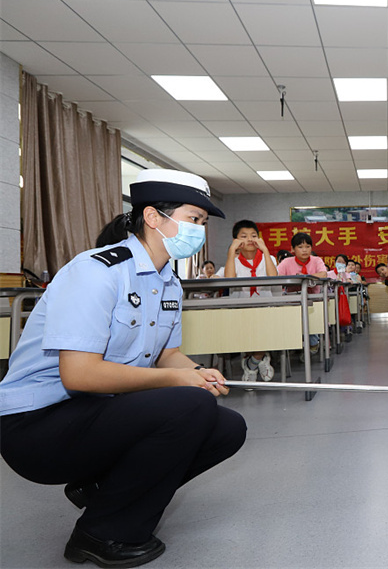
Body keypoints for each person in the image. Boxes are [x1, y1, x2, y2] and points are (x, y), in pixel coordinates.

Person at [0, 169, 246, 568]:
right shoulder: (97, 272)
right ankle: (103, 535)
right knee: (190, 406)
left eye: (202, 223)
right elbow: (78, 375)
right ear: (153, 217)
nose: (199, 231)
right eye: (193, 219)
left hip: (93, 411)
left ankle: (104, 497)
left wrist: (197, 372)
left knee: (227, 427)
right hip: (35, 424)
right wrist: (178, 380)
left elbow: (168, 354)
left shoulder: (168, 282)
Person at [221, 219, 277, 381]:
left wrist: (265, 250)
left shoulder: (270, 258)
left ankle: (252, 364)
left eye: (253, 235)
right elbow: (229, 280)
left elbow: (274, 278)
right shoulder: (234, 261)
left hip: (265, 308)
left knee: (267, 331)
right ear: (236, 241)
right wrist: (232, 252)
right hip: (241, 309)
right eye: (243, 236)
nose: (249, 239)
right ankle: (260, 359)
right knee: (246, 334)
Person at [276, 232, 327, 356]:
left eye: (308, 246)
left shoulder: (316, 260)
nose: (304, 250)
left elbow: (323, 274)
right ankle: (294, 345)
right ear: (292, 249)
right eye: (300, 247)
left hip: (313, 301)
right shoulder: (287, 262)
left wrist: (304, 277)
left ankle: (313, 343)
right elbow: (277, 276)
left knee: (311, 322)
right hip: (292, 302)